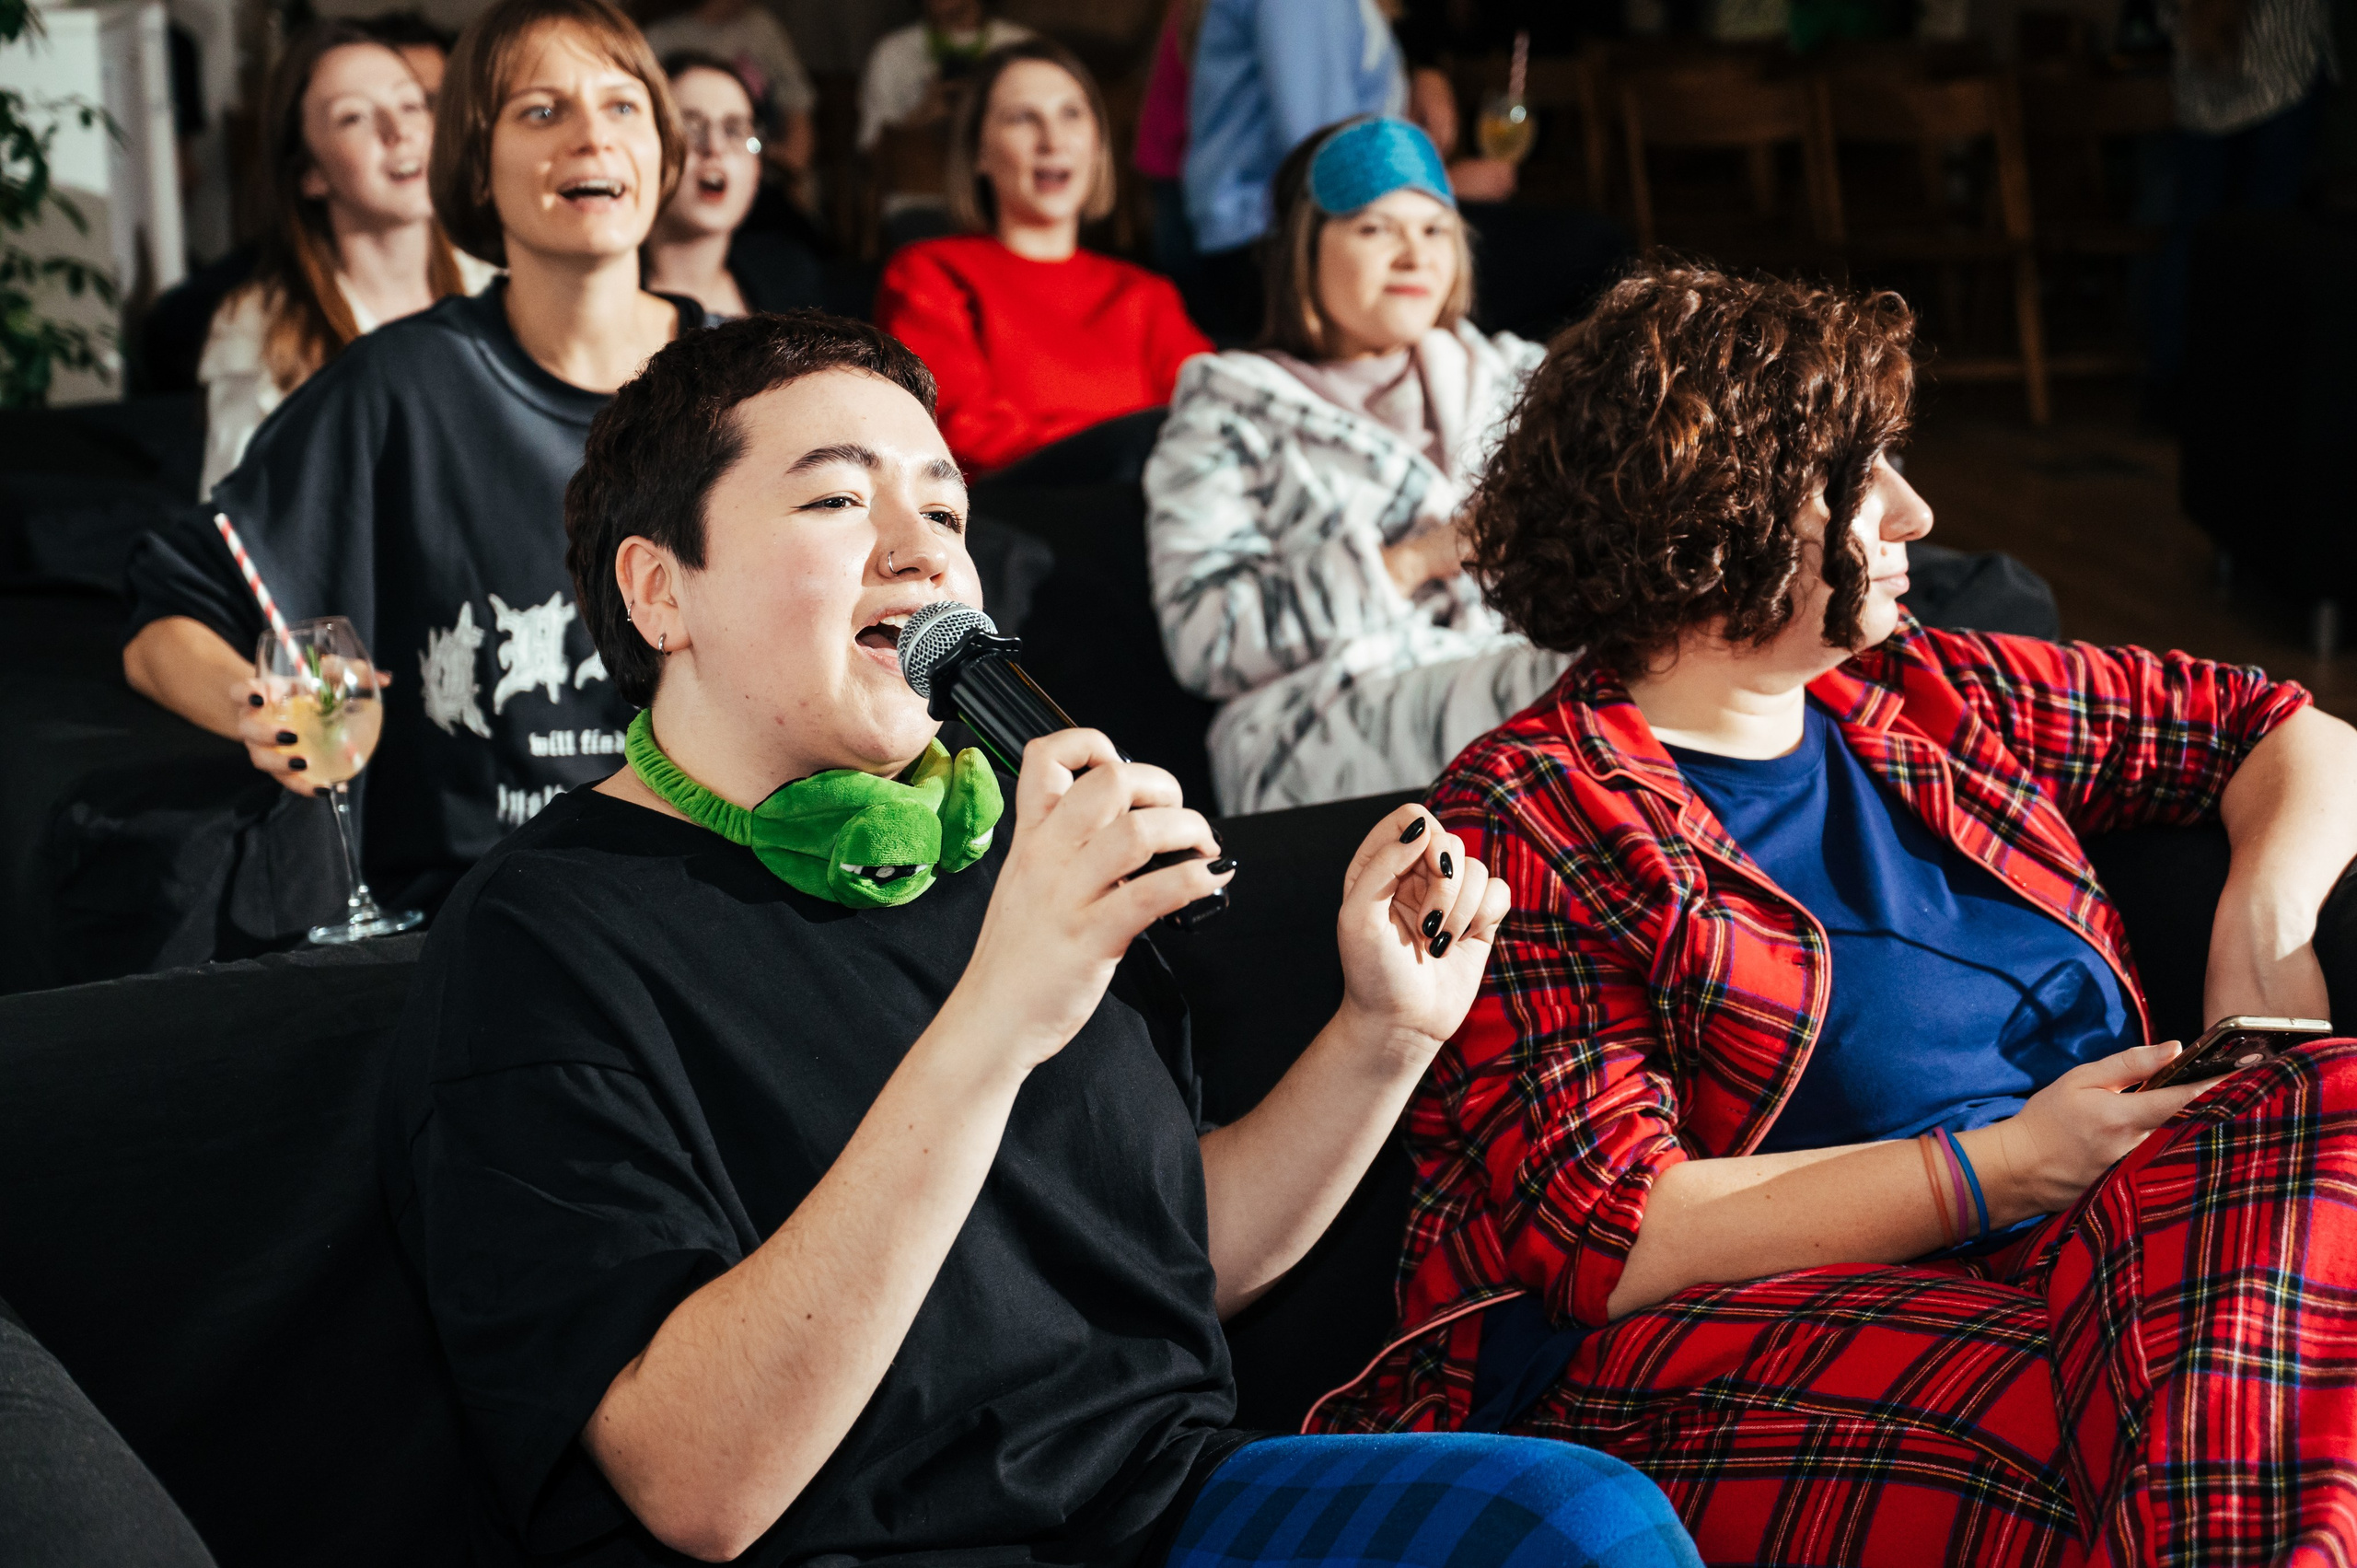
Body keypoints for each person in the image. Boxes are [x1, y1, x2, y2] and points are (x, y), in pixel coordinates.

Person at [380, 306, 1703, 1568]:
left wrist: (1382, 1034)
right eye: (837, 498)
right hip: (847, 1545)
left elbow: (1165, 1255)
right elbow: (697, 1483)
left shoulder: (1000, 843)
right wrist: (998, 1014)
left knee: (1569, 1519)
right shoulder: (543, 934)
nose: (921, 551)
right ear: (660, 591)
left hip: (1159, 1503)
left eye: (944, 510)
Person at [1308, 262, 2357, 1566]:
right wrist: (2008, 1164)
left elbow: (2285, 728)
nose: (1917, 512)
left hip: (2100, 1248)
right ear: (1711, 526)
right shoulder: (1538, 807)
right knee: (2195, 1399)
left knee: (2309, 1143)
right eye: (1862, 482)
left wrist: (2263, 935)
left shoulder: (1925, 690)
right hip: (1701, 1345)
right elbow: (1610, 1233)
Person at [122, 0, 699, 919]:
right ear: (472, 165)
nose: (592, 136)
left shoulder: (754, 387)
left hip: (702, 899)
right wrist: (263, 707)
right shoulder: (394, 385)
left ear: (663, 150)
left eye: (623, 106)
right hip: (468, 919)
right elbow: (167, 620)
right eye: (541, 110)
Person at [1147, 118, 1564, 817]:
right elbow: (1205, 638)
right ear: (1304, 249)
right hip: (1313, 724)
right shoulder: (1227, 410)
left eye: (1435, 230)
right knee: (1584, 695)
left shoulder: (1520, 379)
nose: (1414, 256)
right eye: (1375, 229)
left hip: (1506, 677)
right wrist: (1413, 561)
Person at [874, 39, 1210, 477]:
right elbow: (959, 434)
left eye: (1071, 114)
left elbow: (1214, 421)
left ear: (1098, 142)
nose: (1053, 140)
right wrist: (1130, 447)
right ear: (979, 152)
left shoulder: (1147, 293)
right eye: (1022, 118)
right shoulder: (929, 272)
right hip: (1013, 511)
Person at [193, 21, 495, 497]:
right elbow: (231, 522)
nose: (398, 131)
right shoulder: (260, 330)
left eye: (411, 104)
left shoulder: (500, 284)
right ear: (311, 173)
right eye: (354, 117)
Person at [641, 51, 824, 317]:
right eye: (689, 127)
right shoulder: (600, 293)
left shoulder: (791, 282)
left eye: (734, 130)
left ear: (757, 170)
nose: (715, 147)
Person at [641, 0, 818, 198]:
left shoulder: (760, 28)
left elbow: (797, 108)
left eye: (733, 129)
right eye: (692, 124)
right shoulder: (660, 38)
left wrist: (788, 175)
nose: (715, 147)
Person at [854, 0, 1028, 154]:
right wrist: (922, 117)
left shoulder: (1022, 47)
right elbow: (869, 150)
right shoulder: (891, 53)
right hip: (917, 176)